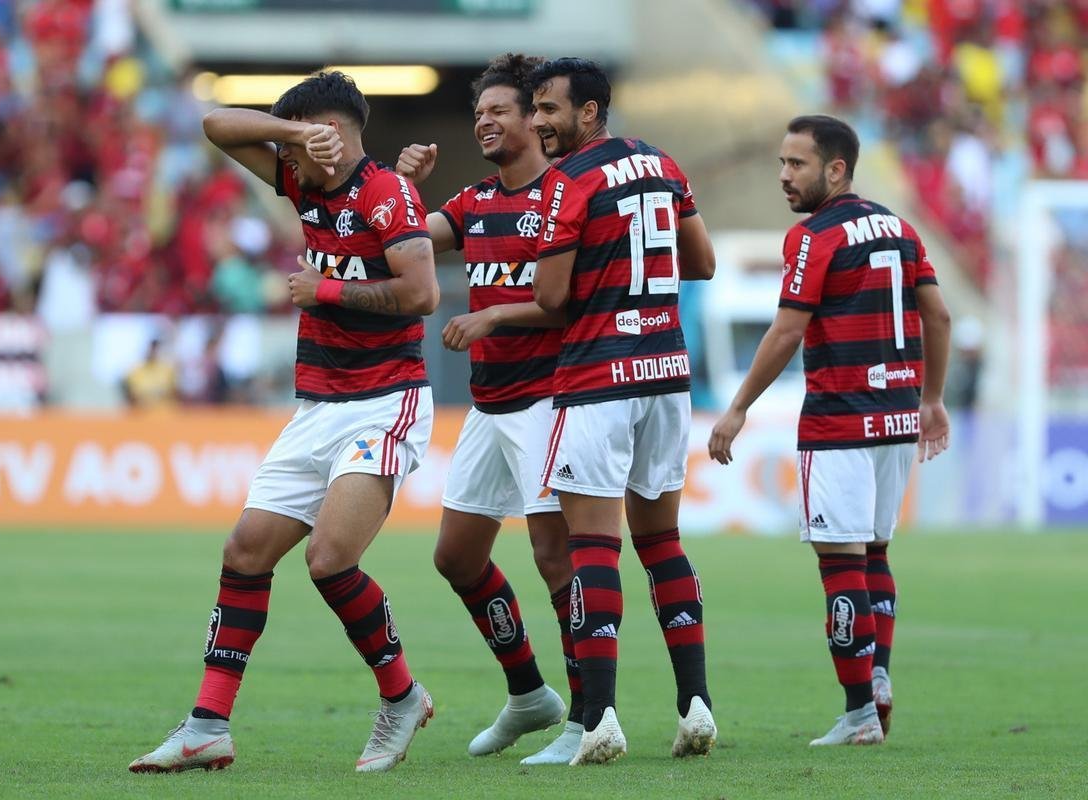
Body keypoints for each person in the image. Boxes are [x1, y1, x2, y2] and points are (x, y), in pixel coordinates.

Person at [128, 71, 440, 775]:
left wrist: (325, 288)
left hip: (385, 398)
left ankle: (401, 695)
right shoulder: (304, 181)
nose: (285, 162)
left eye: (299, 140)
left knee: (329, 559)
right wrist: (293, 134)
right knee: (244, 552)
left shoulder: (385, 195)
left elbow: (422, 294)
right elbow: (214, 124)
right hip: (317, 404)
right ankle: (208, 725)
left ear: (332, 135)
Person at [707, 114, 951, 746]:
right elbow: (940, 316)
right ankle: (879, 678)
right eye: (782, 163)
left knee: (839, 562)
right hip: (897, 416)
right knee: (873, 553)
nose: (784, 176)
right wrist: (932, 400)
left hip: (839, 418)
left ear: (836, 169)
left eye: (797, 164)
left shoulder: (815, 236)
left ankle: (859, 711)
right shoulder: (900, 227)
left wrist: (736, 410)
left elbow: (787, 330)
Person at [528, 57, 718, 765]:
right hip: (666, 371)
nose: (541, 122)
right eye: (536, 109)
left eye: (551, 109)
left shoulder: (567, 182)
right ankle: (695, 701)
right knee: (661, 540)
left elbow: (550, 296)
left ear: (590, 111)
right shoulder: (663, 164)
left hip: (599, 378)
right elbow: (702, 261)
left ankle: (600, 715)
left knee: (594, 548)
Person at [395, 53, 581, 765]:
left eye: (498, 111)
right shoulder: (473, 203)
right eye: (479, 114)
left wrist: (493, 317)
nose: (485, 123)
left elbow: (565, 303)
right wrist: (401, 188)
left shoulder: (565, 196)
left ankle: (589, 714)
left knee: (552, 556)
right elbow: (403, 247)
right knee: (456, 556)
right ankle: (530, 693)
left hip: (547, 399)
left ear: (535, 119)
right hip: (490, 404)